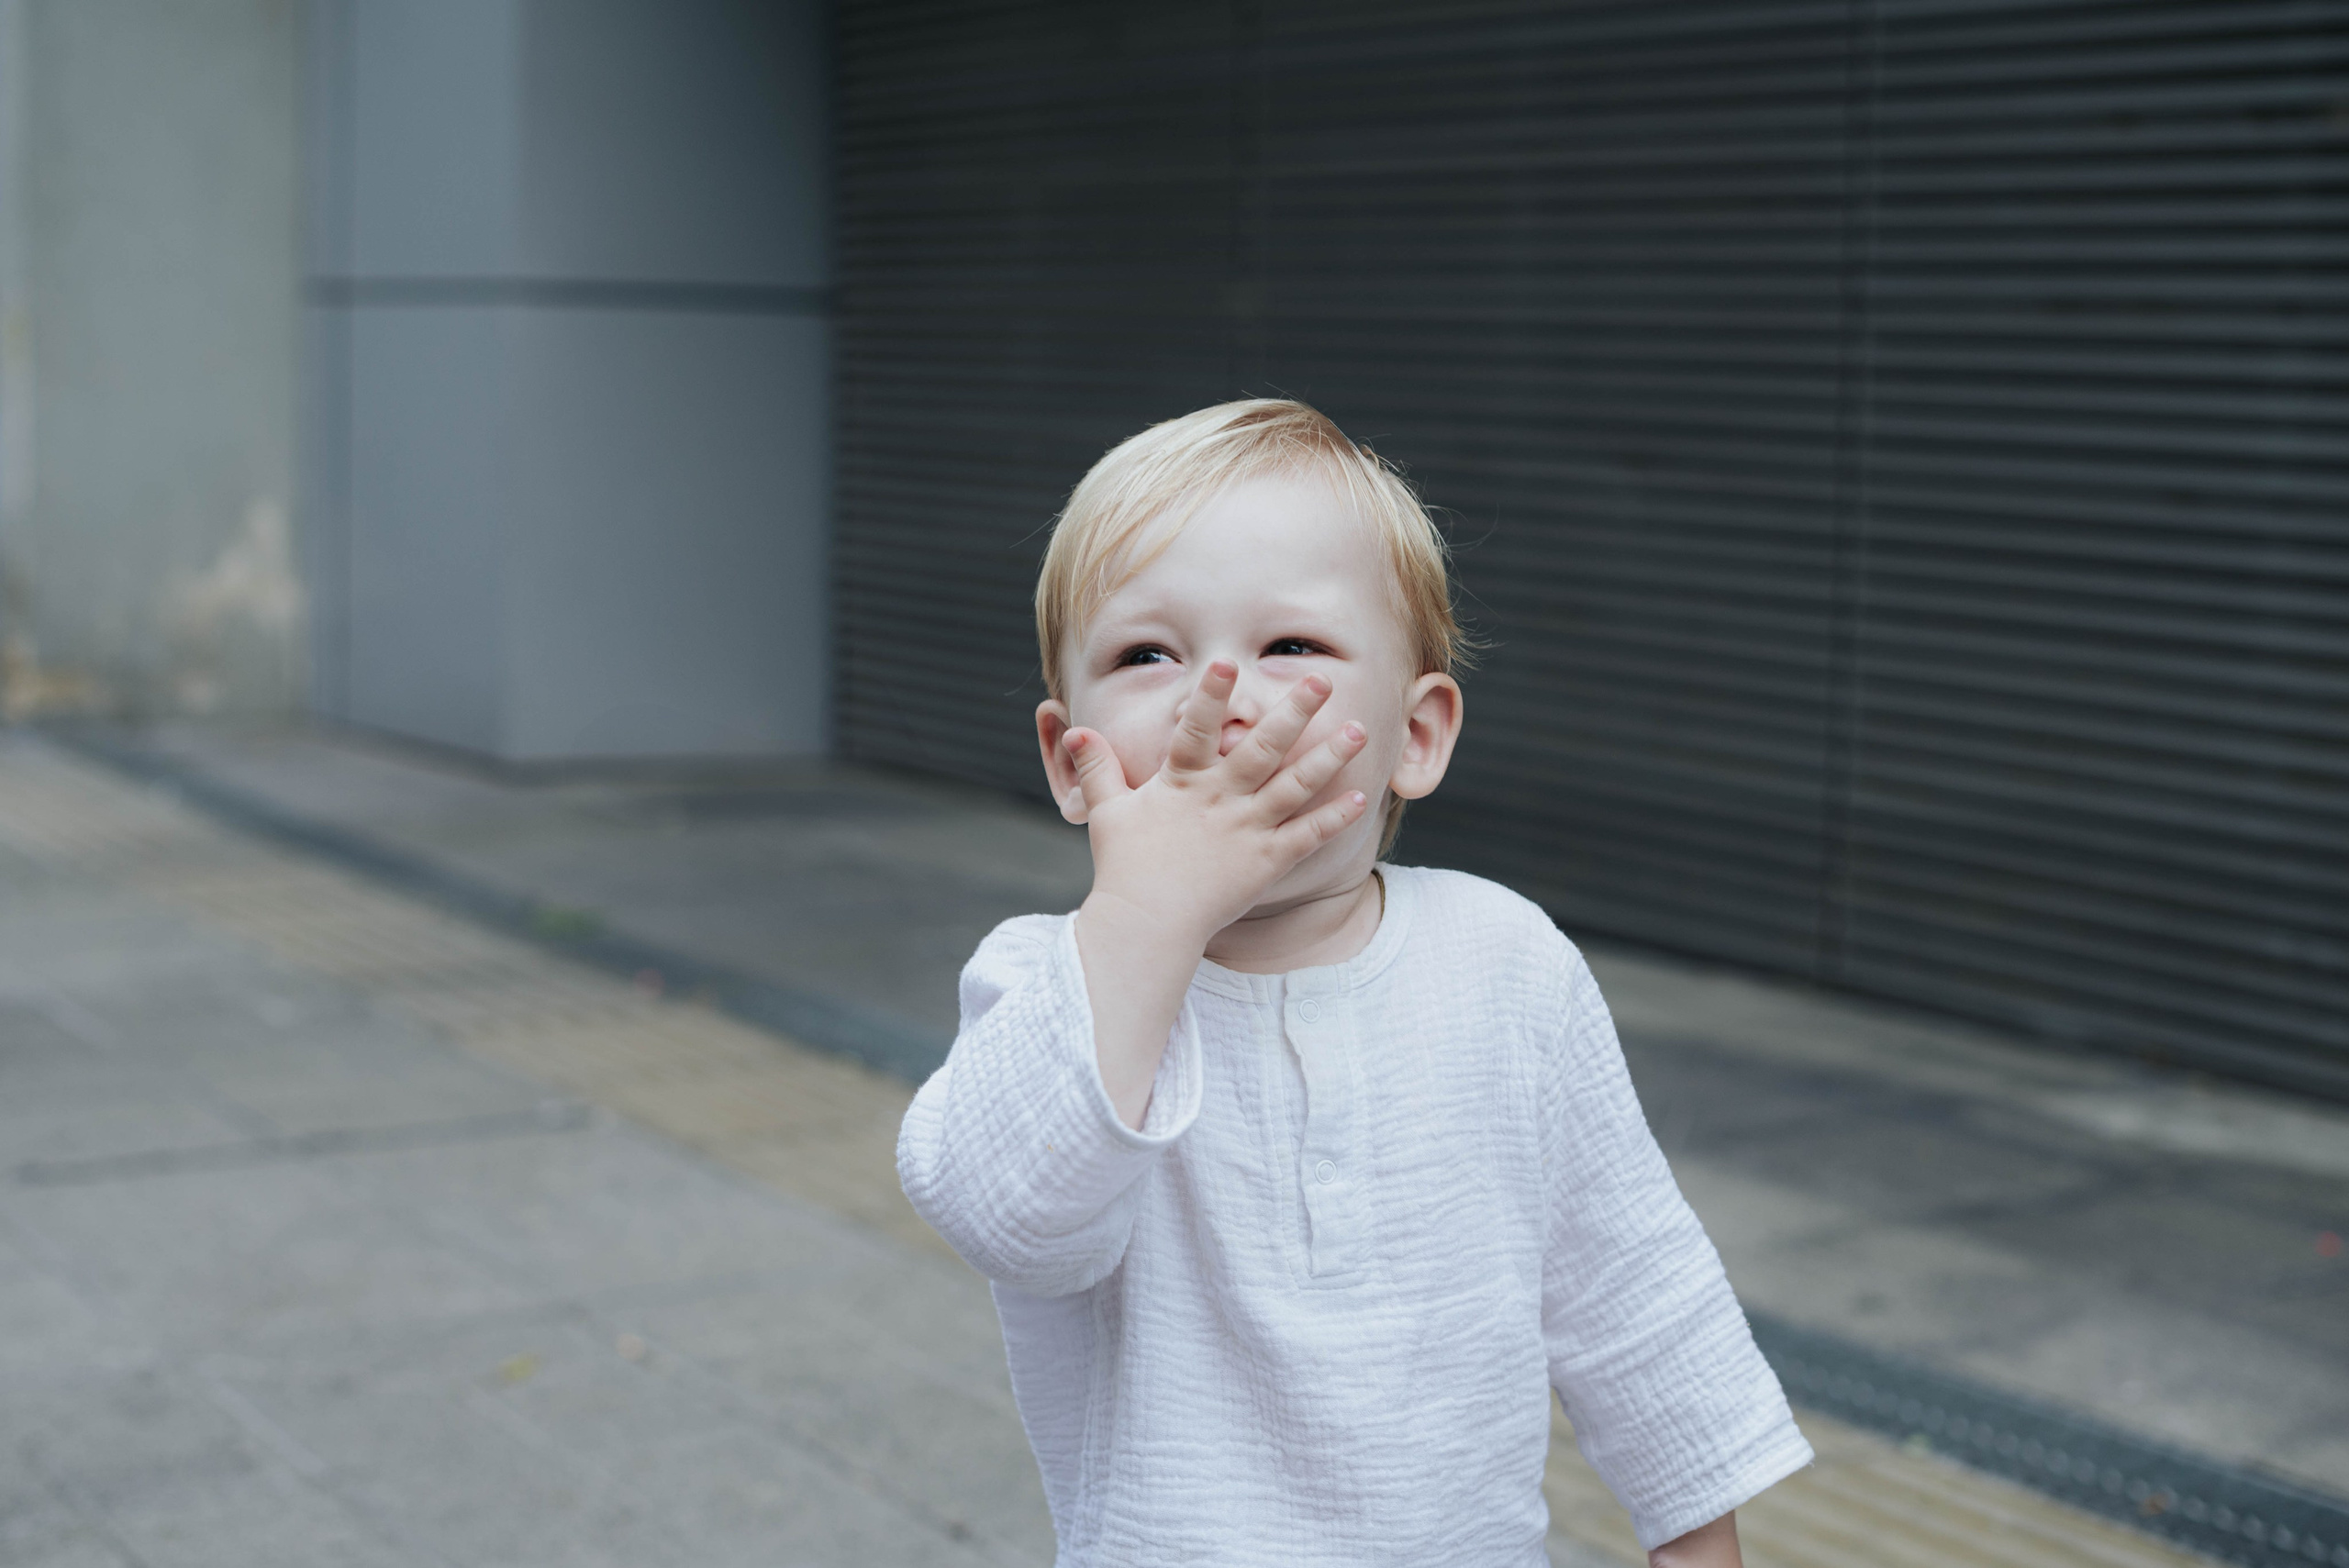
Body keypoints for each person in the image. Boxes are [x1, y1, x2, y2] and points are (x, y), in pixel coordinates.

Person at [897, 398, 1812, 1566]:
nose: (1212, 695)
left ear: (1414, 735)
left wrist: (1697, 1540)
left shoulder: (1506, 962)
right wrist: (1146, 911)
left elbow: (1632, 1288)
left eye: (1291, 646)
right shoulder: (1049, 979)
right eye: (1144, 654)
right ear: (1069, 760)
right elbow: (1012, 1219)